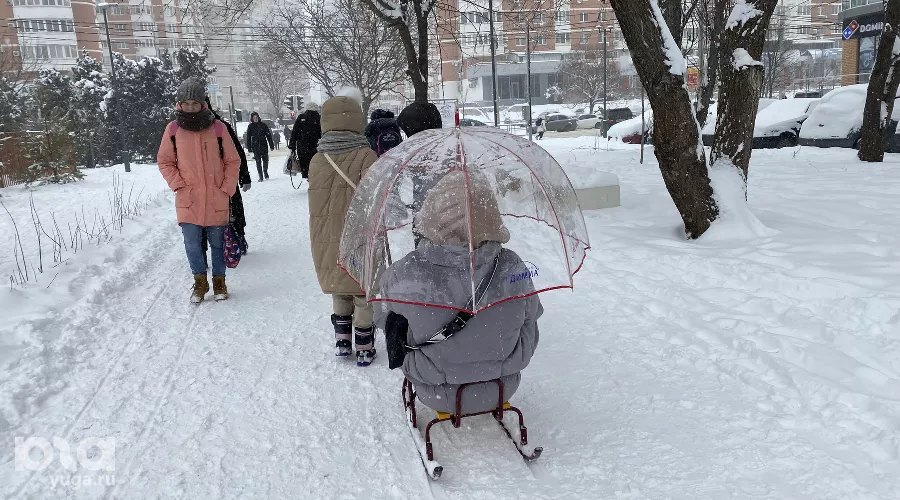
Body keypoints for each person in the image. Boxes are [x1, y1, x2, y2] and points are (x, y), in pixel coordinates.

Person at [375, 171, 542, 414]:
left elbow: (382, 318)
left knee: (396, 321)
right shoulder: (512, 265)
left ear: (432, 215)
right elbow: (532, 317)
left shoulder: (405, 272)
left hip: (436, 392)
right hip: (502, 386)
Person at [308, 95, 378, 366]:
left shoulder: (317, 159)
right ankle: (364, 345)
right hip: (358, 231)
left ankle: (342, 341)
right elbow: (373, 195)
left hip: (325, 233)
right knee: (361, 288)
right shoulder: (366, 155)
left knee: (339, 284)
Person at [158, 78, 240, 304]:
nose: (191, 107)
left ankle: (220, 283)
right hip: (188, 198)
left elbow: (233, 160)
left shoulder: (218, 128)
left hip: (216, 196)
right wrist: (178, 184)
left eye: (195, 102)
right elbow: (165, 161)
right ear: (179, 104)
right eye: (186, 103)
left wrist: (226, 188)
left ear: (203, 102)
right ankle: (200, 283)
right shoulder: (173, 129)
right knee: (192, 244)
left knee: (217, 244)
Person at [199, 97, 251, 261]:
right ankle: (204, 251)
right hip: (200, 183)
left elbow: (237, 154)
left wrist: (243, 175)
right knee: (203, 218)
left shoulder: (221, 127)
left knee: (232, 211)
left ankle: (237, 239)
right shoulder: (182, 130)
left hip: (224, 179)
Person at [397, 102, 443, 246]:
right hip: (427, 216)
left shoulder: (420, 152)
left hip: (433, 219)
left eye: (407, 132)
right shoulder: (445, 147)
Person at [288, 105, 322, 179]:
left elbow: (294, 132)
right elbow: (322, 133)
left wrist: (292, 145)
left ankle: (309, 179)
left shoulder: (301, 117)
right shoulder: (319, 118)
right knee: (317, 166)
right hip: (316, 147)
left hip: (303, 148)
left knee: (306, 167)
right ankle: (314, 180)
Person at [246, 112, 274, 181]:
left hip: (263, 145)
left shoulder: (263, 125)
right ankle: (260, 176)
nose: (255, 119)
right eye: (254, 118)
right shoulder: (250, 126)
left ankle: (265, 171)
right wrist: (249, 147)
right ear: (252, 119)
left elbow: (268, 135)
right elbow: (248, 137)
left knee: (265, 160)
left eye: (256, 118)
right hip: (255, 147)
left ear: (258, 117)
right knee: (258, 162)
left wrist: (271, 144)